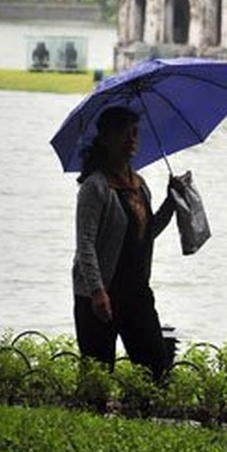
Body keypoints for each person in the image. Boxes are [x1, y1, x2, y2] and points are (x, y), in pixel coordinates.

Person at [72, 106, 184, 380]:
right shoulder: (95, 187)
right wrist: (97, 292)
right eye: (124, 133)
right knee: (97, 373)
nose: (132, 140)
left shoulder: (140, 185)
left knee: (154, 365)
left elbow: (145, 235)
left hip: (135, 290)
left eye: (135, 133)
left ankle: (142, 417)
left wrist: (171, 202)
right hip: (100, 294)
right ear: (107, 138)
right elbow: (85, 244)